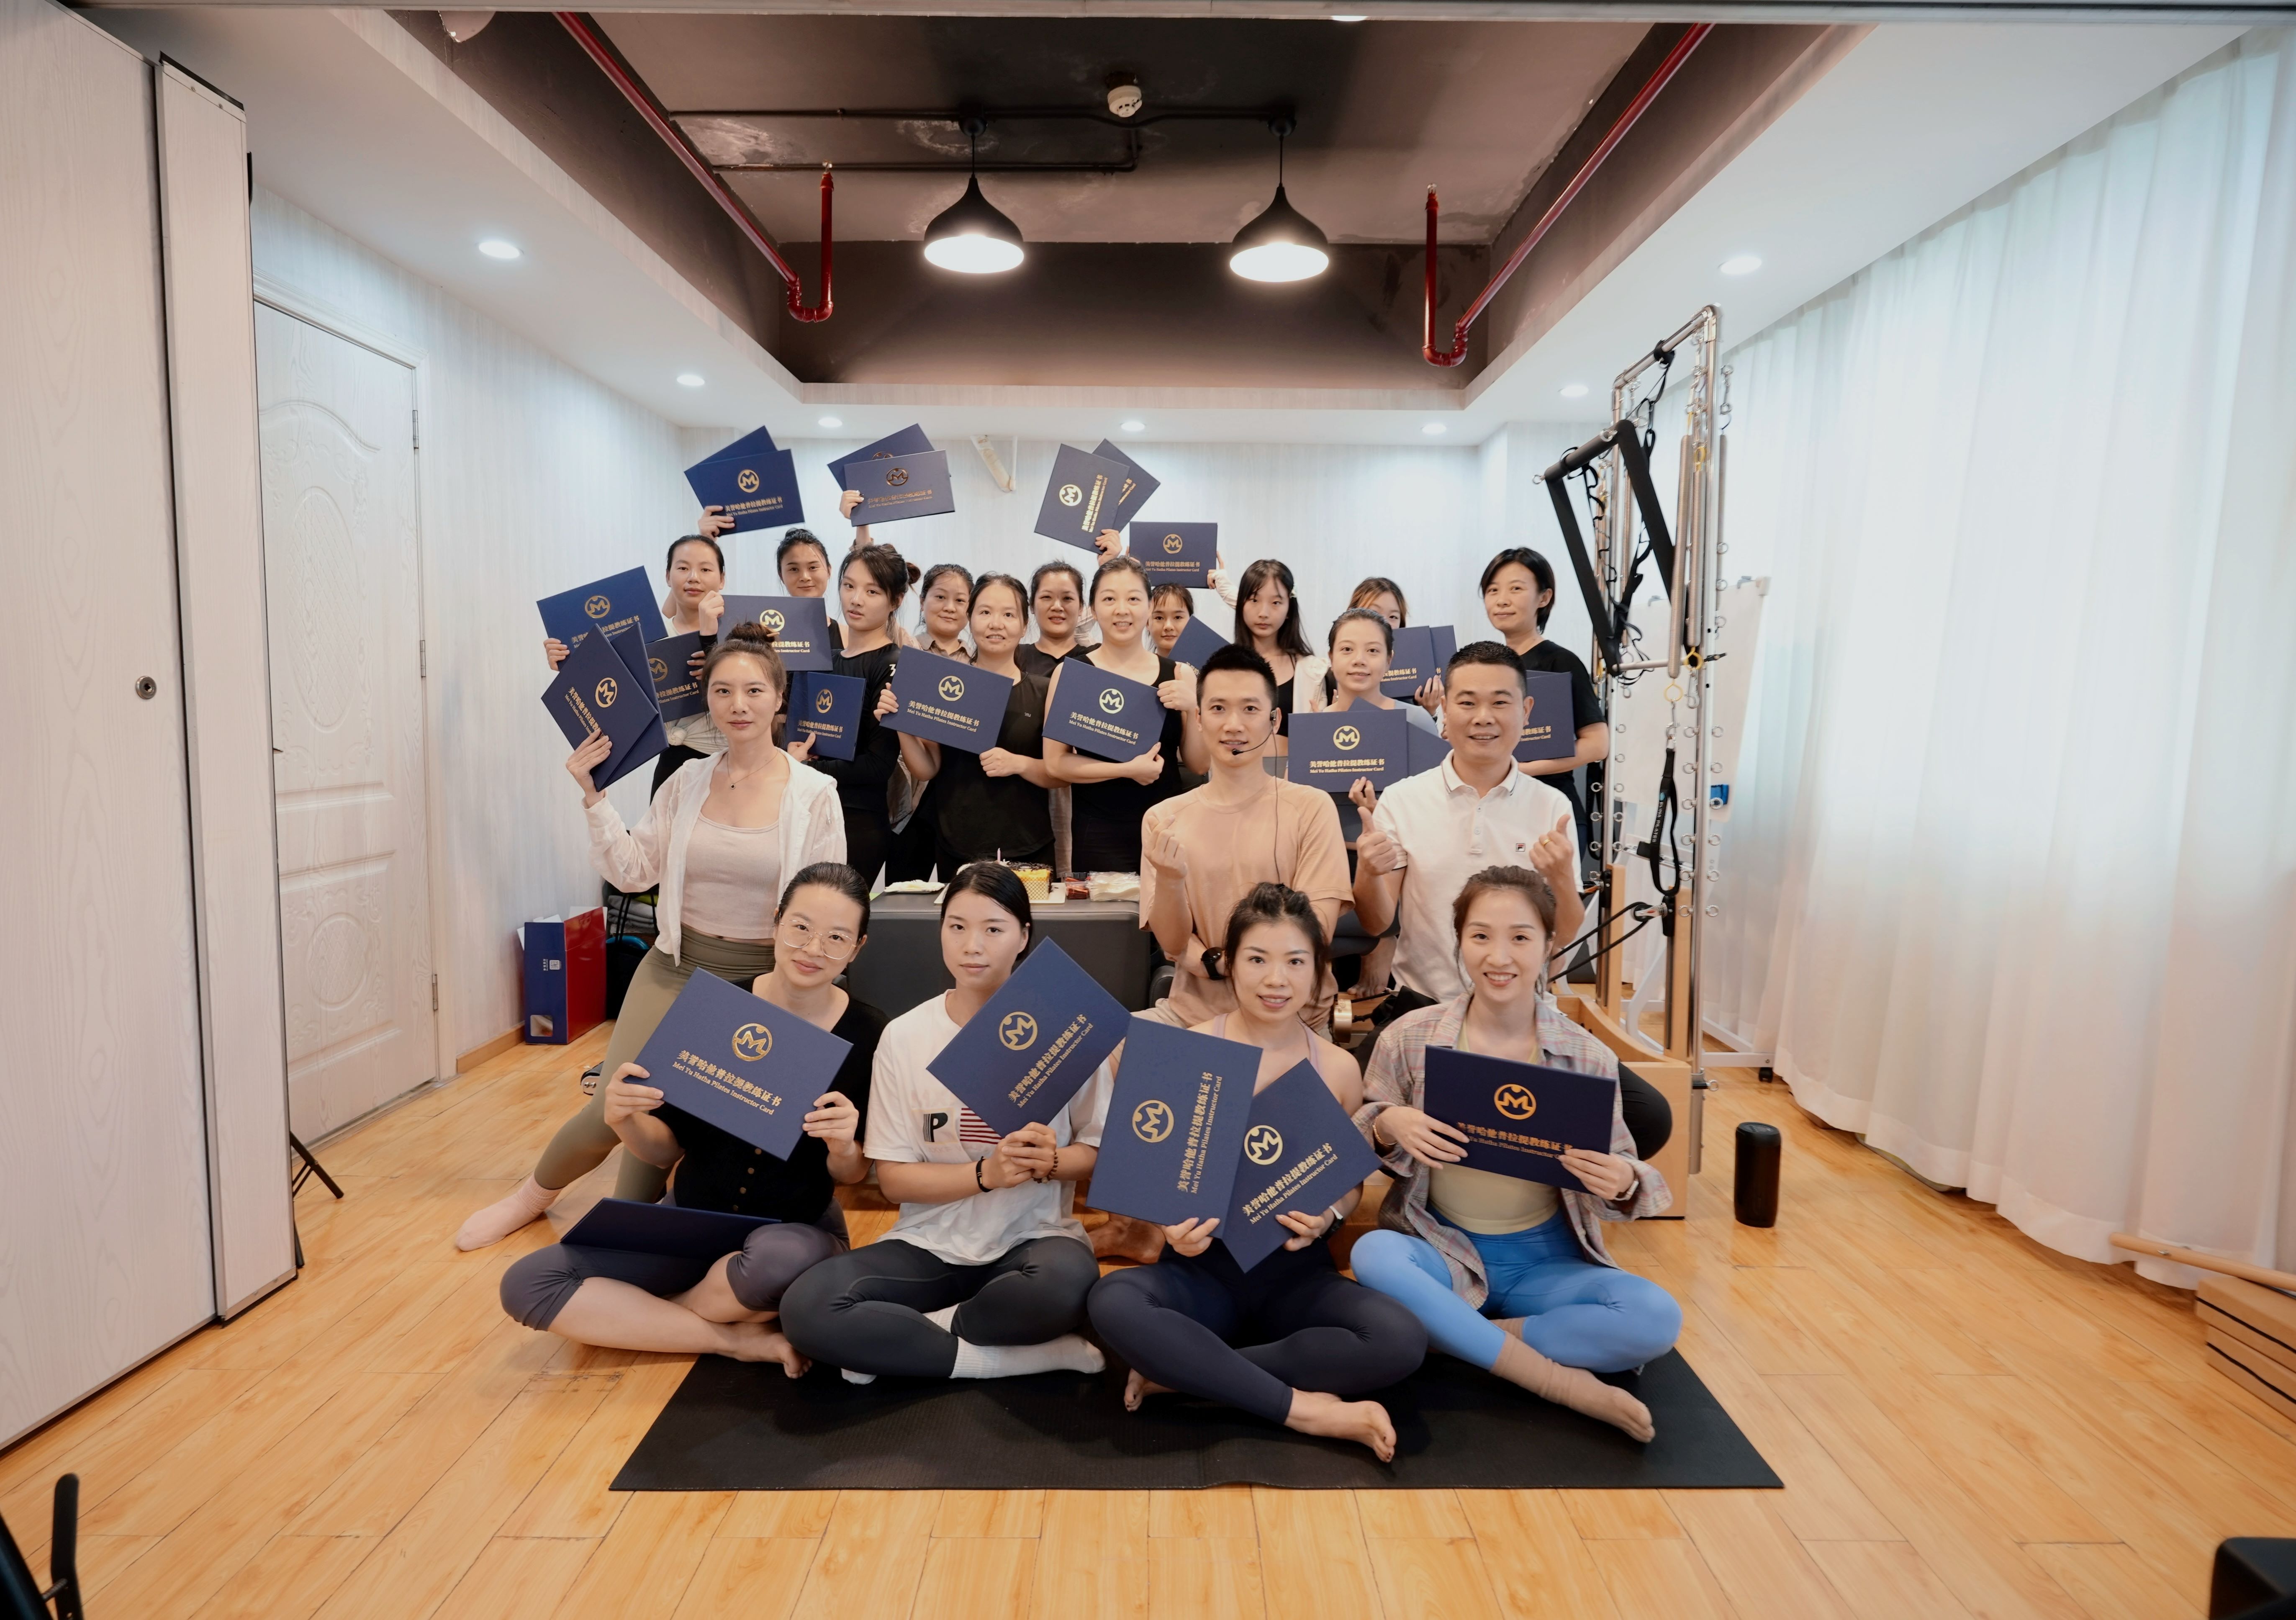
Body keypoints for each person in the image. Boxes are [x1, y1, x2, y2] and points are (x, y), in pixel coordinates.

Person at [455, 622, 847, 1249]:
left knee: (683, 1126)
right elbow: (633, 871)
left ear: (779, 697)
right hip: (674, 967)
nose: (738, 705)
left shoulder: (815, 794)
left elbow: (824, 904)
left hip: (761, 984)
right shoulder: (686, 780)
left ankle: (627, 1228)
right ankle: (529, 1198)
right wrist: (595, 798)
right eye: (722, 691)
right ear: (707, 700)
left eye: (753, 690)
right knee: (616, 1106)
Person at [495, 865, 886, 1368]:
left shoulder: (870, 1032)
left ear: (857, 948)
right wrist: (624, 1120)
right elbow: (665, 1150)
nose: (813, 949)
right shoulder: (718, 1008)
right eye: (800, 927)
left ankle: (652, 1319)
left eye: (836, 938)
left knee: (778, 1264)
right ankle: (731, 1338)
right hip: (691, 1222)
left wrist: (843, 1146)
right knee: (527, 1284)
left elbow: (851, 1175)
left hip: (793, 1230)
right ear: (775, 922)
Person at [1086, 885, 1426, 1458]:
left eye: (1295, 961)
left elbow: (1347, 1181)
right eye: (1257, 959)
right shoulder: (1187, 1051)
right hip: (1200, 1271)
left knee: (1400, 1338)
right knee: (1112, 1300)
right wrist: (1171, 1227)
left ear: (1317, 970)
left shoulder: (1338, 1068)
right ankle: (1306, 1411)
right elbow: (1155, 1176)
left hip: (1295, 1274)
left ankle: (1189, 1374)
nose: (1276, 980)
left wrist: (1330, 1215)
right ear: (1229, 963)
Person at [1349, 866, 1680, 1442]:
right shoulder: (1409, 1036)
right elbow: (1355, 1145)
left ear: (1549, 944)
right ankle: (1554, 1379)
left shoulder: (1585, 1055)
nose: (1498, 956)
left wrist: (1623, 1177)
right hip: (1439, 1248)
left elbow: (1632, 1173)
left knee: (1655, 1318)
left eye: (1520, 937)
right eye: (1480, 935)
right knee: (1373, 1253)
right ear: (1459, 941)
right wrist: (1386, 1122)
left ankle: (1455, 1337)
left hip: (1544, 1264)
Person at [780, 864, 1109, 1382]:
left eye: (993, 929)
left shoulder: (1063, 1028)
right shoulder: (905, 1036)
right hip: (928, 1244)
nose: (972, 946)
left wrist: (1047, 1161)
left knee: (1064, 1288)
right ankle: (1012, 1360)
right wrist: (986, 1175)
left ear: (1024, 936)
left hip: (1034, 1239)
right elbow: (893, 1180)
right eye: (956, 927)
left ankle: (908, 1336)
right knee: (807, 1306)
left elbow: (1097, 1151)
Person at [1351, 641, 1670, 1160]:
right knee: (1355, 1110)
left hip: (1522, 1015)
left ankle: (1508, 1163)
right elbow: (1375, 920)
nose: (1483, 717)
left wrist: (1561, 879)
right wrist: (1367, 873)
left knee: (1648, 1118)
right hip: (1426, 1009)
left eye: (1500, 702)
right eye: (1467, 702)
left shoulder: (1550, 804)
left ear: (1526, 711)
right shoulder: (1404, 799)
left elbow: (1562, 937)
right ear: (1444, 709)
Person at [1140, 643, 1351, 1030]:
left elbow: (1316, 931)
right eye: (1218, 709)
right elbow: (1174, 944)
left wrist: (1223, 963)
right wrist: (1170, 880)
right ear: (1199, 718)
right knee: (1101, 1051)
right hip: (1194, 1017)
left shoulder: (1312, 808)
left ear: (1274, 719)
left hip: (1293, 1019)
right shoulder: (1163, 819)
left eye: (1250, 709)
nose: (1233, 725)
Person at [1042, 557, 1207, 873]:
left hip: (1167, 830)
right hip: (1097, 832)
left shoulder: (1180, 675)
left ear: (1149, 607)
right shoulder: (1071, 675)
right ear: (1093, 609)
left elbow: (1200, 765)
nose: (1122, 610)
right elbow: (1055, 763)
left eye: (1133, 599)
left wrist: (1193, 707)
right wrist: (1127, 770)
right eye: (1109, 599)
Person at [884, 573, 1055, 874]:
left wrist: (1018, 764)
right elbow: (928, 769)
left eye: (1008, 615)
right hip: (957, 845)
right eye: (985, 612)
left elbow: (1060, 774)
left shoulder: (1044, 691)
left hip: (1028, 845)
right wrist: (901, 720)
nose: (996, 624)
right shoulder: (948, 686)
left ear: (1024, 625)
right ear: (970, 618)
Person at [542, 532, 730, 797]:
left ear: (722, 579)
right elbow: (607, 690)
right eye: (683, 568)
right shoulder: (647, 637)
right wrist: (568, 665)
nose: (693, 577)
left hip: (729, 766)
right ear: (668, 577)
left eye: (706, 569)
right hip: (671, 769)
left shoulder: (739, 637)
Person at [793, 545, 909, 887]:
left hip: (857, 821)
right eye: (849, 586)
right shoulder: (821, 659)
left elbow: (878, 766)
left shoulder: (894, 664)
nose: (856, 599)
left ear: (896, 600)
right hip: (808, 812)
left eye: (872, 591)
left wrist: (805, 767)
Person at [1481, 547, 1608, 856]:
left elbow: (1597, 745)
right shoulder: (1489, 667)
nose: (1502, 600)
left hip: (1550, 811)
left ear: (1544, 597)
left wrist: (1523, 771)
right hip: (1497, 810)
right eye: (1493, 590)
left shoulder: (1561, 661)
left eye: (1516, 589)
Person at [1225, 559, 1326, 737]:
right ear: (1241, 605)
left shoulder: (1313, 671)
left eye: (1276, 603)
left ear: (1289, 609)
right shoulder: (1223, 667)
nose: (1263, 613)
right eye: (1254, 600)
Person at [1017, 561, 1092, 677]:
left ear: (1081, 607)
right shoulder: (1013, 657)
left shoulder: (1094, 659)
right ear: (1032, 605)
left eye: (1067, 598)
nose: (1057, 607)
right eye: (1047, 597)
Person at [915, 563, 973, 660]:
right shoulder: (904, 648)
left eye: (960, 600)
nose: (950, 608)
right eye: (941, 597)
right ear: (922, 602)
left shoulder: (978, 663)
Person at [1148, 582, 1197, 665]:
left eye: (1178, 617)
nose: (1168, 626)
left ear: (1191, 620)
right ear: (1147, 623)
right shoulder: (1138, 670)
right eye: (1159, 618)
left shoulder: (1209, 668)